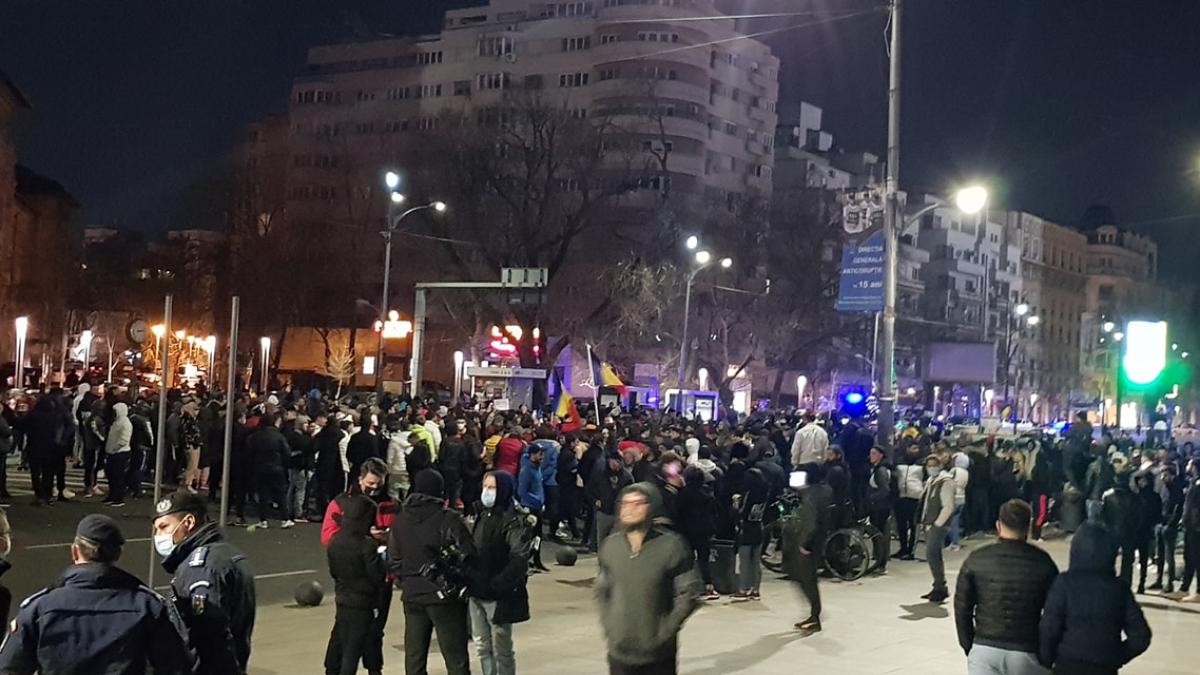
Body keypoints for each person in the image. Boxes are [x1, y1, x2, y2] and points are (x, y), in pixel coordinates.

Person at [0, 514, 192, 674]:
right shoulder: (148, 606)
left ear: (75, 552)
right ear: (117, 555)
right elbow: (176, 667)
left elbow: (10, 668)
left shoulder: (39, 608)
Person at [595, 483, 701, 675]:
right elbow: (602, 590)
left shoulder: (672, 546)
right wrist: (610, 626)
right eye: (625, 503)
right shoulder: (611, 546)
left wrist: (665, 631)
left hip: (657, 655)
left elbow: (689, 593)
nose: (630, 509)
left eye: (638, 503)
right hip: (619, 652)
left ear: (652, 507)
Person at [153, 490, 257, 674]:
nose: (158, 535)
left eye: (164, 527)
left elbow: (208, 637)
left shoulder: (200, 567)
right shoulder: (224, 554)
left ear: (188, 522)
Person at [954, 499, 1059, 674]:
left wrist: (969, 645)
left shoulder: (976, 558)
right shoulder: (1043, 562)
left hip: (984, 647)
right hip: (1026, 649)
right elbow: (1054, 614)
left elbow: (962, 608)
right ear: (1028, 526)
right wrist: (1047, 655)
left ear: (998, 525)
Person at [387, 469, 476, 675]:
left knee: (414, 658)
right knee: (456, 659)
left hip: (412, 595)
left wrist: (407, 581)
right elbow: (469, 554)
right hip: (444, 597)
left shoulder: (400, 519)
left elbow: (394, 559)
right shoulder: (449, 518)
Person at [1038, 521, 1151, 675]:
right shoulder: (1119, 588)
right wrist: (1117, 656)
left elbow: (1049, 629)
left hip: (1067, 664)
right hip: (1104, 667)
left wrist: (1047, 660)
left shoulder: (1064, 583)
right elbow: (1141, 636)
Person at [468, 471, 533, 675]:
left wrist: (498, 583)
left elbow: (519, 558)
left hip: (498, 595)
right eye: (485, 487)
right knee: (482, 646)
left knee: (501, 649)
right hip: (477, 591)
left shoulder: (513, 520)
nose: (487, 492)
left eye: (492, 487)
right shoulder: (481, 514)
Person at [324, 493, 390, 675]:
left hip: (343, 599)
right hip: (363, 604)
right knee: (354, 651)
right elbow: (377, 576)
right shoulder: (366, 545)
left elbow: (334, 572)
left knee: (338, 643)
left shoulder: (335, 541)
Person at [787, 467, 830, 634]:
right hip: (816, 542)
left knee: (807, 580)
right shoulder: (821, 491)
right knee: (806, 579)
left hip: (808, 545)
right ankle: (814, 614)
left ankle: (814, 616)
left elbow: (810, 523)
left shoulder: (810, 497)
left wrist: (805, 544)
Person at [677, 465, 719, 600]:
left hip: (688, 530)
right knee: (704, 560)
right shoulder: (708, 493)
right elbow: (714, 512)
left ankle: (689, 588)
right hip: (705, 530)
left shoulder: (684, 493)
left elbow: (679, 512)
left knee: (688, 560)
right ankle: (709, 586)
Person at [246, 412, 294, 528]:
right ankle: (285, 519)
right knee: (280, 494)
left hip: (260, 468)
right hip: (276, 468)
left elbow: (250, 453)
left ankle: (263, 520)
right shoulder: (279, 436)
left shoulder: (255, 437)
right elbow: (287, 453)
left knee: (263, 495)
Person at [921, 453, 958, 604]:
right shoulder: (932, 481)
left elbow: (948, 506)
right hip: (929, 523)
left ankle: (940, 587)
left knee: (933, 554)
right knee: (932, 555)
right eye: (929, 466)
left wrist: (937, 524)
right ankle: (938, 586)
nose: (931, 468)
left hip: (938, 524)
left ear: (940, 465)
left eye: (934, 465)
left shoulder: (945, 482)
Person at [733, 467, 768, 600]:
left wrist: (736, 504)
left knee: (745, 562)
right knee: (756, 562)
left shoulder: (749, 494)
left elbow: (742, 513)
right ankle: (755, 589)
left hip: (746, 530)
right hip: (758, 528)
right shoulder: (764, 493)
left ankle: (743, 589)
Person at [587, 450, 633, 549]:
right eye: (616, 462)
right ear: (610, 461)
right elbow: (590, 488)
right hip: (603, 511)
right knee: (601, 539)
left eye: (620, 463)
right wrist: (595, 500)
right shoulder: (600, 472)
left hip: (620, 513)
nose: (617, 465)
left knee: (616, 541)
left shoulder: (626, 476)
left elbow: (632, 492)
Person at [1149, 464, 1184, 592]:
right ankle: (1159, 580)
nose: (1163, 477)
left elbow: (1178, 507)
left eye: (1165, 474)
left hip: (1170, 526)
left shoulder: (1177, 488)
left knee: (1169, 555)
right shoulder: (1162, 487)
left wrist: (1171, 523)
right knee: (1160, 555)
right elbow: (1158, 503)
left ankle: (1170, 583)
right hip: (1160, 524)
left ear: (1171, 475)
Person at [894, 442, 926, 560]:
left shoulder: (922, 463)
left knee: (913, 525)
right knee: (901, 525)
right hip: (901, 496)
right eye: (913, 448)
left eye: (917, 448)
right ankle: (903, 548)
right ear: (907, 448)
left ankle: (911, 550)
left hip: (915, 497)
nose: (916, 450)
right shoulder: (899, 461)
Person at [1131, 470, 1162, 594]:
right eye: (1139, 480)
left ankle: (1141, 584)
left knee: (1143, 559)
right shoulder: (1135, 496)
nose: (1141, 483)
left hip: (1145, 531)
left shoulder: (1154, 497)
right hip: (1135, 531)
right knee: (1130, 559)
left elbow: (1157, 514)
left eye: (1143, 480)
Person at [865, 446, 894, 571]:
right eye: (871, 453)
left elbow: (885, 489)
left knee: (879, 535)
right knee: (878, 535)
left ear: (881, 455)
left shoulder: (881, 470)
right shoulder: (877, 468)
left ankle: (881, 562)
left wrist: (872, 498)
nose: (871, 456)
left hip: (880, 507)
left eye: (874, 453)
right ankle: (879, 560)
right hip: (878, 507)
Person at [104, 402, 133, 507]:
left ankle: (119, 498)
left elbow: (124, 440)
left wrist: (114, 448)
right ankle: (112, 496)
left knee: (118, 476)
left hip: (120, 453)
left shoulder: (125, 423)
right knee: (111, 475)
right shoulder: (116, 422)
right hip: (113, 452)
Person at [789, 413, 828, 478]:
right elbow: (825, 449)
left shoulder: (800, 432)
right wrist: (823, 461)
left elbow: (796, 449)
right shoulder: (823, 432)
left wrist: (794, 463)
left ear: (804, 419)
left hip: (803, 463)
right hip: (817, 464)